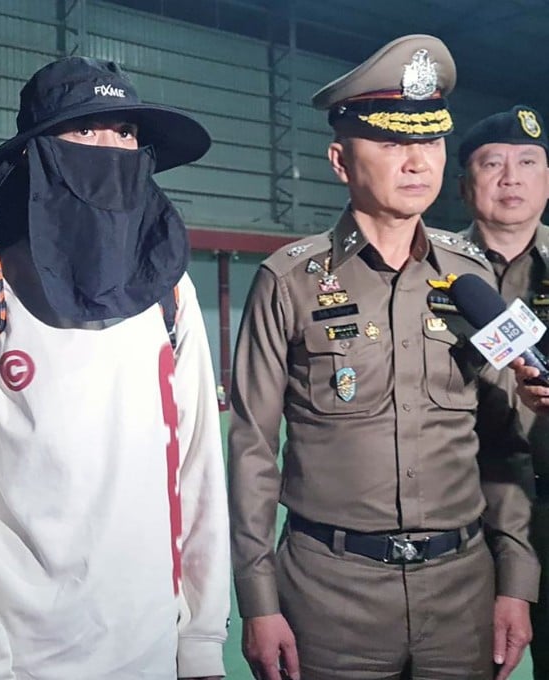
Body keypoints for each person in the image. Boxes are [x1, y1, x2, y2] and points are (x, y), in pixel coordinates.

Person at [0, 56, 229, 679]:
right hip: (23, 660)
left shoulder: (168, 290)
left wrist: (203, 644)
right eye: (85, 132)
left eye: (125, 133)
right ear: (35, 153)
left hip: (152, 649)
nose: (110, 149)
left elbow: (198, 469)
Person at [228, 34, 539, 680]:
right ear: (341, 161)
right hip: (329, 599)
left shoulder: (472, 281)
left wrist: (516, 579)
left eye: (427, 141)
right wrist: (258, 602)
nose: (416, 160)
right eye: (393, 142)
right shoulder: (289, 281)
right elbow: (253, 450)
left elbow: (503, 443)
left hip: (463, 593)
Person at [459, 106, 549, 680]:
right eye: (492, 163)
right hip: (463, 516)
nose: (510, 177)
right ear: (465, 183)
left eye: (527, 163)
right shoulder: (424, 274)